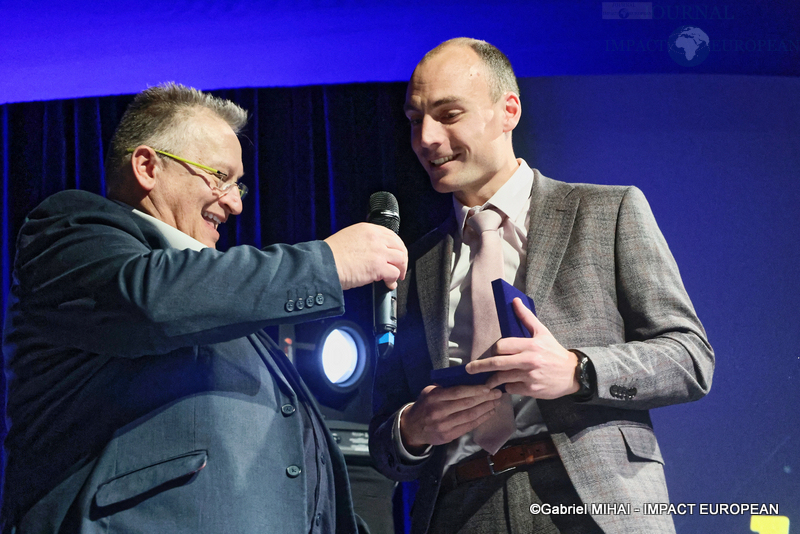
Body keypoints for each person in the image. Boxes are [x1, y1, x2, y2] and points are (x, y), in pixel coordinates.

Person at [1, 82, 407, 533]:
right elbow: (151, 301)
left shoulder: (223, 302)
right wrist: (327, 264)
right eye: (219, 176)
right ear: (147, 166)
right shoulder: (68, 230)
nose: (234, 203)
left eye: (239, 186)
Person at [369, 38, 714, 534]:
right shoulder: (414, 265)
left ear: (507, 111)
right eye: (414, 119)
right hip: (461, 510)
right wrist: (413, 429)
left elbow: (691, 359)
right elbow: (384, 439)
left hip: (592, 503)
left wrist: (578, 370)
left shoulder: (607, 212)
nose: (426, 137)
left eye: (448, 114)